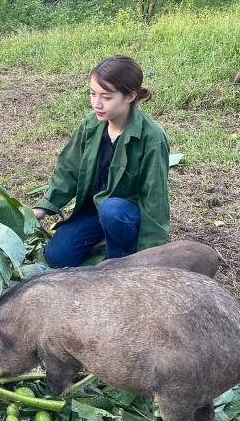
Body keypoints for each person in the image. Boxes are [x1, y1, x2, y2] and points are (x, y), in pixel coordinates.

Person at [32, 55, 170, 268]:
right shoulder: (90, 125)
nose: (96, 103)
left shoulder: (151, 138)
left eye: (106, 97)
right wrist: (44, 207)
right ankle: (105, 236)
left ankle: (120, 259)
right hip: (94, 210)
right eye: (92, 93)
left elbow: (155, 198)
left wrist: (150, 255)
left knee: (112, 210)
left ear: (130, 96)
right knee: (56, 258)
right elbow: (68, 170)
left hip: (125, 214)